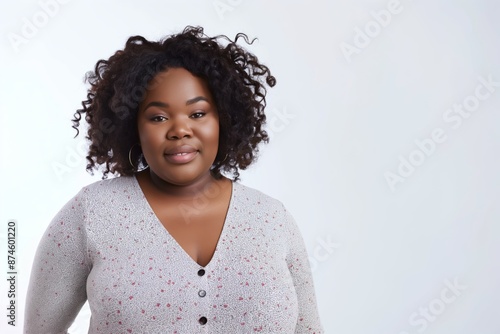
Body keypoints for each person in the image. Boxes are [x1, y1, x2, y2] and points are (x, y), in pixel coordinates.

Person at [24, 26, 323, 333]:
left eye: (197, 114)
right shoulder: (92, 213)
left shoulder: (271, 220)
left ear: (224, 120)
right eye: (158, 117)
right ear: (133, 129)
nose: (180, 129)